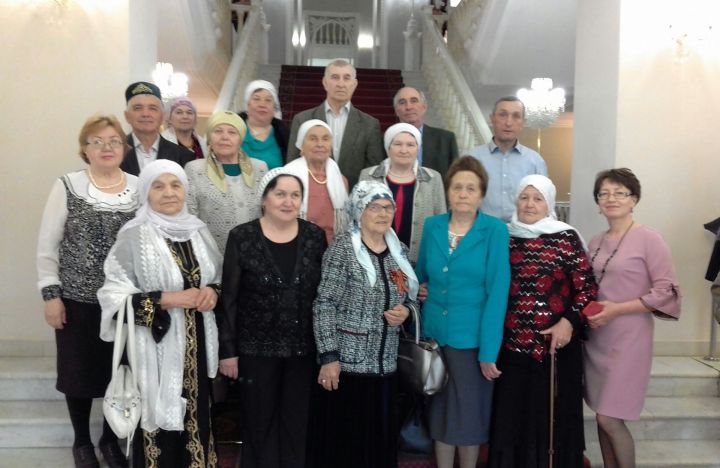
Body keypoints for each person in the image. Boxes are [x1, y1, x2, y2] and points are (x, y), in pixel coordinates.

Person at [98, 159, 222, 468]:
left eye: (176, 185)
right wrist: (168, 299)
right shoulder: (133, 235)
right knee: (157, 417)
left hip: (197, 344)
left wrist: (212, 292)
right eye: (159, 186)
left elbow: (217, 277)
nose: (169, 193)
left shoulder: (198, 231)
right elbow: (113, 295)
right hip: (154, 345)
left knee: (196, 415)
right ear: (145, 193)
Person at [36, 114, 139, 468]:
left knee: (121, 373)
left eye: (114, 141)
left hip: (126, 302)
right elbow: (48, 245)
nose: (107, 147)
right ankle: (81, 442)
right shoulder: (68, 185)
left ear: (124, 148)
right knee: (78, 374)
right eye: (97, 142)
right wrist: (51, 296)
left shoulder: (140, 187)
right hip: (77, 301)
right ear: (85, 149)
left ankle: (110, 440)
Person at [218, 168, 327, 468]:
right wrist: (228, 351)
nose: (288, 201)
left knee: (296, 423)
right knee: (259, 423)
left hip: (303, 350)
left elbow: (323, 295)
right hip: (255, 349)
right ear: (264, 199)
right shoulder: (241, 236)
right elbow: (229, 298)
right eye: (280, 194)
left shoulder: (315, 236)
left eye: (295, 195)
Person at [487, 174, 597, 467]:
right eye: (524, 197)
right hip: (511, 348)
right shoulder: (504, 236)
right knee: (513, 419)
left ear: (548, 204)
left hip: (556, 348)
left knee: (554, 420)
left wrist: (569, 322)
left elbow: (588, 289)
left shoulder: (565, 237)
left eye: (538, 199)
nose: (529, 204)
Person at [310, 181, 420, 468]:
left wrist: (406, 311)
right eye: (375, 207)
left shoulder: (399, 252)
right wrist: (329, 357)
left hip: (386, 366)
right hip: (348, 367)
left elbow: (411, 298)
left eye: (388, 207)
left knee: (378, 443)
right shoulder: (343, 249)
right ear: (359, 211)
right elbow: (324, 304)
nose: (383, 214)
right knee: (348, 444)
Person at [415, 156, 510, 468]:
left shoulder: (494, 231)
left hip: (472, 341)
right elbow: (422, 274)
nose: (463, 194)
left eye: (471, 188)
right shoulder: (433, 225)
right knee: (440, 413)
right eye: (457, 187)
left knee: (469, 415)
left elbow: (497, 293)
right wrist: (422, 287)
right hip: (435, 339)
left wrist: (489, 351)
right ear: (448, 191)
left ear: (481, 195)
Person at [583, 168, 681, 468]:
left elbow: (666, 291)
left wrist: (616, 309)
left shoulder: (649, 238)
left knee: (609, 417)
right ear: (597, 202)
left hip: (629, 337)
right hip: (598, 337)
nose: (611, 199)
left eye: (619, 193)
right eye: (604, 193)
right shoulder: (595, 241)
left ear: (634, 199)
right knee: (601, 414)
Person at [287, 59, 385, 187]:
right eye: (335, 77)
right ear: (325, 83)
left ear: (354, 84)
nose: (341, 84)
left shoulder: (370, 125)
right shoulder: (302, 120)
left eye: (346, 78)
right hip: (310, 194)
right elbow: (292, 163)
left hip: (353, 195)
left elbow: (373, 170)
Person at [359, 122, 446, 263]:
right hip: (375, 258)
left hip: (420, 258)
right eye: (397, 144)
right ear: (388, 147)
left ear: (418, 148)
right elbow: (357, 218)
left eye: (410, 145)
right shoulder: (368, 176)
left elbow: (441, 221)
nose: (404, 150)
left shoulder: (433, 178)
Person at [185, 110, 268, 254]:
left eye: (232, 132)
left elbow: (268, 213)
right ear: (209, 137)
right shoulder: (194, 169)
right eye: (218, 131)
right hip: (211, 254)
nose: (224, 137)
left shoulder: (260, 168)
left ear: (241, 138)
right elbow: (189, 217)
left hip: (254, 254)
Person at [466, 96, 547, 222]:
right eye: (503, 115)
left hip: (523, 231)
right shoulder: (471, 159)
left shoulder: (535, 162)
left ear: (523, 122)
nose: (508, 123)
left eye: (516, 116)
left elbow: (544, 202)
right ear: (492, 119)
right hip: (482, 230)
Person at [283, 119, 349, 244]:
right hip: (297, 243)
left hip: (333, 246)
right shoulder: (287, 176)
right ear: (301, 145)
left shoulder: (341, 180)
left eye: (325, 139)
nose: (320, 144)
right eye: (313, 139)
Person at [120, 81, 195, 176]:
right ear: (127, 116)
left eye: (152, 108)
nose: (145, 114)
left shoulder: (184, 157)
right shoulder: (114, 152)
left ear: (163, 116)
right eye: (138, 108)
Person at [393, 86, 459, 177]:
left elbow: (455, 177)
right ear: (396, 111)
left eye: (414, 101)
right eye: (402, 102)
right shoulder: (386, 141)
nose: (408, 107)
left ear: (424, 107)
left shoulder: (446, 140)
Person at [238, 80, 290, 169]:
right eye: (256, 99)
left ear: (274, 107)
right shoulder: (233, 129)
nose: (262, 105)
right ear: (248, 104)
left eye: (268, 100)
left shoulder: (284, 136)